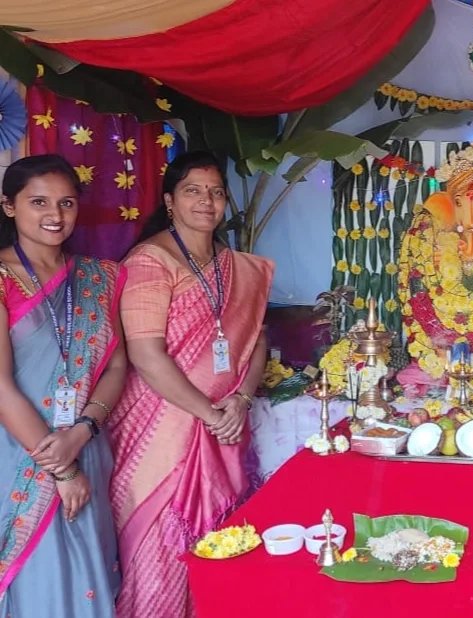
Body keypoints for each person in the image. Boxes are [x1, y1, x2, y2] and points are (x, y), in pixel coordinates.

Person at [109, 151, 273, 617]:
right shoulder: (151, 260)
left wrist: (241, 400)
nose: (206, 201)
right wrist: (210, 413)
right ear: (170, 200)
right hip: (160, 430)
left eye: (216, 192)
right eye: (193, 191)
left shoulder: (236, 266)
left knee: (222, 543)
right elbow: (146, 355)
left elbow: (258, 338)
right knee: (160, 544)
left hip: (225, 424)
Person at [0, 154, 127, 616]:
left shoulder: (100, 277)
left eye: (66, 203)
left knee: (87, 574)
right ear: (9, 206)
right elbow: (0, 386)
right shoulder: (2, 280)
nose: (55, 215)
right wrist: (63, 470)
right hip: (19, 453)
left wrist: (82, 432)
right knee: (38, 578)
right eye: (39, 202)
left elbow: (116, 367)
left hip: (85, 445)